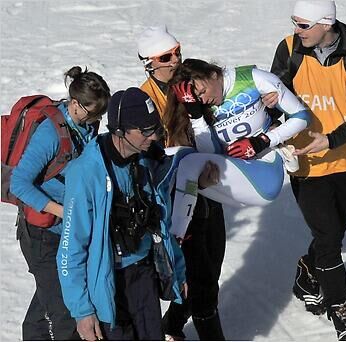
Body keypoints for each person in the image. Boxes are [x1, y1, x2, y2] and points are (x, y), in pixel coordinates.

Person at [56, 87, 217, 340]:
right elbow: (70, 249)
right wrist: (82, 312)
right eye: (145, 131)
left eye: (155, 129)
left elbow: (161, 223)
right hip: (108, 285)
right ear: (119, 130)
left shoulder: (148, 163)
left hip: (143, 277)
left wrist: (178, 270)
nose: (153, 137)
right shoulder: (86, 173)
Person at [270, 0, 346, 340]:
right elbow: (273, 95)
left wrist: (331, 140)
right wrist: (271, 109)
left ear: (326, 24)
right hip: (304, 161)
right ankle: (342, 315)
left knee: (332, 235)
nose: (296, 31)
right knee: (330, 241)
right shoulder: (289, 49)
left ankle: (308, 271)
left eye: (303, 25)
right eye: (295, 23)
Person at [136, 25, 227, 340]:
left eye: (177, 51)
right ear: (150, 63)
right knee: (202, 284)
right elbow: (151, 160)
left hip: (208, 194)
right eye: (166, 56)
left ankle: (171, 326)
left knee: (211, 271)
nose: (175, 59)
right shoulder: (143, 100)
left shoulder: (190, 83)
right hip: (177, 202)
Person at [9, 66, 110, 340]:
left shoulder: (86, 124)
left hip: (67, 232)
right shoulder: (50, 134)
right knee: (65, 312)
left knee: (47, 304)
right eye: (92, 113)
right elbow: (18, 183)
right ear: (75, 103)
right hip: (42, 236)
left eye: (101, 115)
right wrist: (62, 211)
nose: (96, 119)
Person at [164, 58, 310, 244]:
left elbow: (302, 117)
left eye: (203, 91)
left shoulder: (252, 78)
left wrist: (263, 141)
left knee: (188, 163)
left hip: (265, 174)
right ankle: (161, 228)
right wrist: (195, 114)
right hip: (235, 180)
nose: (204, 99)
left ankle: (175, 237)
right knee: (174, 156)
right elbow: (212, 156)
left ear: (213, 74)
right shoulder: (203, 107)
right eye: (197, 98)